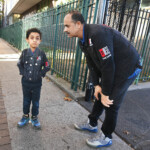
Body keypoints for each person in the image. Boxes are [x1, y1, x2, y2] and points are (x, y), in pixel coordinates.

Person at [63, 11, 142, 148]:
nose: (65, 30)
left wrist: (105, 92)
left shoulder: (97, 34)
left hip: (129, 67)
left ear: (78, 24)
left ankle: (106, 136)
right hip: (114, 66)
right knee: (101, 94)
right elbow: (91, 64)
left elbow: (108, 66)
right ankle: (92, 123)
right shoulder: (82, 40)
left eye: (67, 26)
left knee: (110, 101)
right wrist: (97, 85)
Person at [17, 28, 50, 129]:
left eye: (37, 38)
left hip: (37, 84)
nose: (34, 40)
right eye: (32, 38)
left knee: (35, 101)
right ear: (27, 40)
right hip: (26, 83)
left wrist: (41, 74)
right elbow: (19, 64)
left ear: (40, 40)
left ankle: (34, 117)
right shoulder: (24, 52)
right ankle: (25, 116)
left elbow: (47, 65)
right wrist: (24, 73)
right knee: (26, 100)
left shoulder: (41, 53)